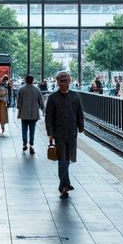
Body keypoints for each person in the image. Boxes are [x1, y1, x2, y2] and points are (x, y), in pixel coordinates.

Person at [45, 70, 85, 199]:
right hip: (59, 133)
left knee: (68, 158)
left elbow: (79, 113)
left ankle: (64, 184)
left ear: (69, 81)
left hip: (72, 132)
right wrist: (50, 133)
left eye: (65, 81)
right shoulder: (52, 98)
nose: (63, 84)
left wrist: (81, 127)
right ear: (57, 82)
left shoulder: (75, 96)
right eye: (61, 81)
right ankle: (64, 186)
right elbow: (49, 117)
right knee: (62, 159)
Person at [16, 74, 44, 154]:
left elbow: (18, 101)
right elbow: (41, 100)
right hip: (34, 113)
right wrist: (41, 107)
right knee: (32, 130)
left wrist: (19, 107)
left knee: (24, 129)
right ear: (32, 80)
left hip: (24, 112)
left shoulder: (21, 89)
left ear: (25, 80)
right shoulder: (37, 89)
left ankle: (25, 143)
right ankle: (31, 145)